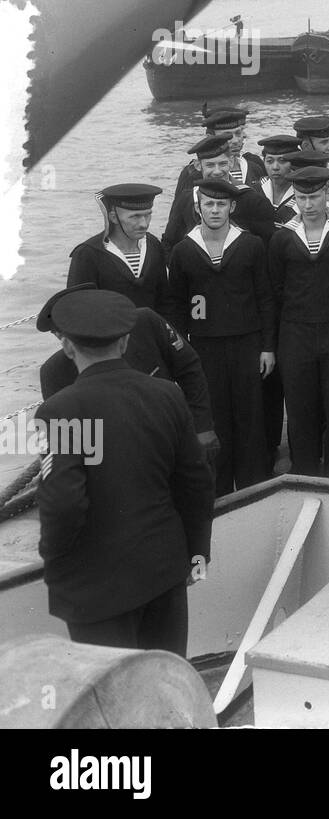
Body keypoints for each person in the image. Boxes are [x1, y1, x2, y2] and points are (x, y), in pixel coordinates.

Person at [36, 289, 214, 657]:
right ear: (126, 340)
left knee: (115, 703)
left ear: (68, 346)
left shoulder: (62, 410)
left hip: (98, 589)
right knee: (164, 691)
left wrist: (55, 562)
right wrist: (196, 556)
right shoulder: (167, 395)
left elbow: (65, 501)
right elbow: (197, 485)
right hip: (165, 573)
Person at [166, 178, 275, 493]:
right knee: (214, 418)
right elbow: (176, 306)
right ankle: (220, 490)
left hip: (247, 344)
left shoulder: (251, 245)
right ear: (198, 208)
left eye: (221, 204)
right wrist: (181, 351)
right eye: (209, 204)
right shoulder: (184, 251)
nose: (215, 210)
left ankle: (254, 487)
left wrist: (267, 347)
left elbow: (265, 298)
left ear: (232, 207)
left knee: (250, 418)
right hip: (204, 347)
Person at [37, 286, 216, 460]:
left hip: (171, 439)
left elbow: (189, 368)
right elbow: (67, 443)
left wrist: (202, 426)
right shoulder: (53, 373)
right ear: (59, 336)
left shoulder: (146, 322)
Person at [267, 166, 329, 479]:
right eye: (301, 198)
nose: (307, 204)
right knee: (299, 406)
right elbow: (276, 288)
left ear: (327, 195)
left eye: (313, 197)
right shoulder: (282, 237)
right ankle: (303, 469)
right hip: (296, 333)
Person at [68, 184, 173, 317]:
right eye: (135, 216)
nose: (144, 224)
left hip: (149, 335)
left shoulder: (153, 246)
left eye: (148, 215)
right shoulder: (88, 254)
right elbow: (77, 308)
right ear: (113, 217)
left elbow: (164, 300)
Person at [162, 135, 275, 250]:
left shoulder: (254, 201)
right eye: (210, 165)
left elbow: (267, 248)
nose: (217, 171)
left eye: (222, 164)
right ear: (197, 165)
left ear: (231, 162)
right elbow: (169, 243)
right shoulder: (186, 200)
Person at [257, 135, 301, 223]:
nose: (275, 167)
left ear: (294, 163)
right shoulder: (256, 190)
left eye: (282, 161)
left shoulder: (303, 193)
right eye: (269, 161)